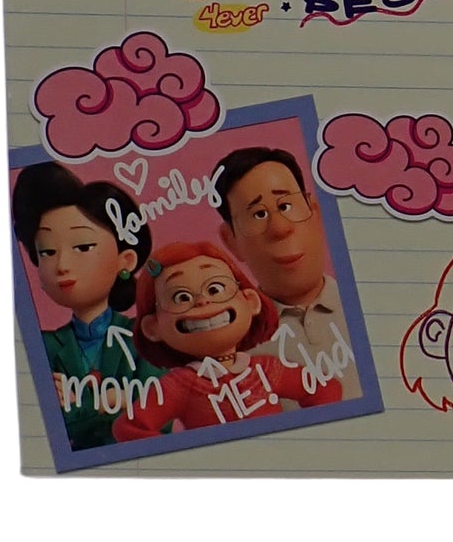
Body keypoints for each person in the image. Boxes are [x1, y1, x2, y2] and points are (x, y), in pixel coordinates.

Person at [114, 242, 341, 439]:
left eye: (215, 289)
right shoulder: (178, 386)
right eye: (181, 297)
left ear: (250, 301)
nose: (202, 302)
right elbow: (131, 428)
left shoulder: (268, 370)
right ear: (153, 327)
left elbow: (326, 389)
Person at [9, 163, 164, 450]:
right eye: (47, 252)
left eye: (82, 247)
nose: (62, 265)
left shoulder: (148, 336)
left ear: (125, 260)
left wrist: (78, 404)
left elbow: (159, 416)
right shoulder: (42, 346)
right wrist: (115, 400)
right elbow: (41, 424)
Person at [213, 146, 360, 399]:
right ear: (231, 241)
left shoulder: (371, 301)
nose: (280, 228)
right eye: (258, 214)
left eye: (286, 206)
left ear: (314, 213)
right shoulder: (230, 351)